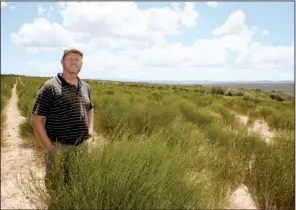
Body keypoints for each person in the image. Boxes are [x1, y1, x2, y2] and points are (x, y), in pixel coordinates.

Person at [31, 48, 94, 190]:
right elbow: (36, 120)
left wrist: (90, 129)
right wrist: (50, 148)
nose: (74, 62)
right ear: (62, 62)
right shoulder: (50, 87)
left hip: (82, 147)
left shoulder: (85, 87)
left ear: (81, 64)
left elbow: (90, 108)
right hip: (59, 147)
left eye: (77, 59)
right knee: (56, 188)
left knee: (78, 186)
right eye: (70, 59)